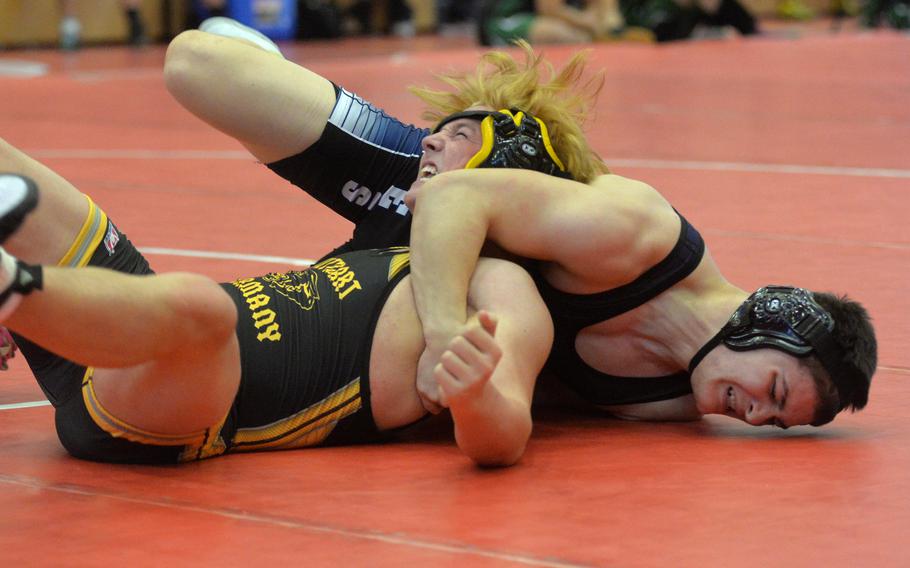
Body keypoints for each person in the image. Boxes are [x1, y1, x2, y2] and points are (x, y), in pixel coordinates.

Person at [164, 20, 876, 428]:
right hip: (434, 187)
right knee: (197, 65)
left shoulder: (668, 401)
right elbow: (449, 204)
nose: (752, 416)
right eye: (773, 393)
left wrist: (468, 376)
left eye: (775, 423)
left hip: (419, 275)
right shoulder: (637, 234)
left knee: (198, 355)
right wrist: (445, 338)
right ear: (770, 320)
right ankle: (269, 57)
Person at [0, 139, 553, 466]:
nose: (429, 140)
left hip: (177, 408)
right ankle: (28, 296)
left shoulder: (501, 282)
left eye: (459, 135)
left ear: (509, 180)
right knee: (10, 167)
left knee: (204, 306)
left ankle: (13, 285)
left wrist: (474, 393)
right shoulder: (401, 246)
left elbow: (505, 438)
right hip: (130, 334)